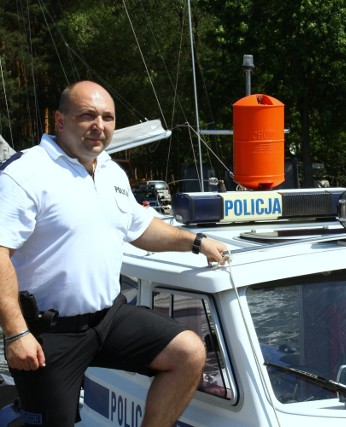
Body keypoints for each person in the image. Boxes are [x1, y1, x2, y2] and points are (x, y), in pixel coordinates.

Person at [0, 80, 229, 426]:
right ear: (60, 122)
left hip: (109, 319)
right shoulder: (25, 174)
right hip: (49, 334)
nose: (99, 126)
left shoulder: (109, 170)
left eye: (108, 117)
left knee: (188, 352)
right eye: (87, 116)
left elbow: (140, 227)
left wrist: (195, 242)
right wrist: (16, 334)